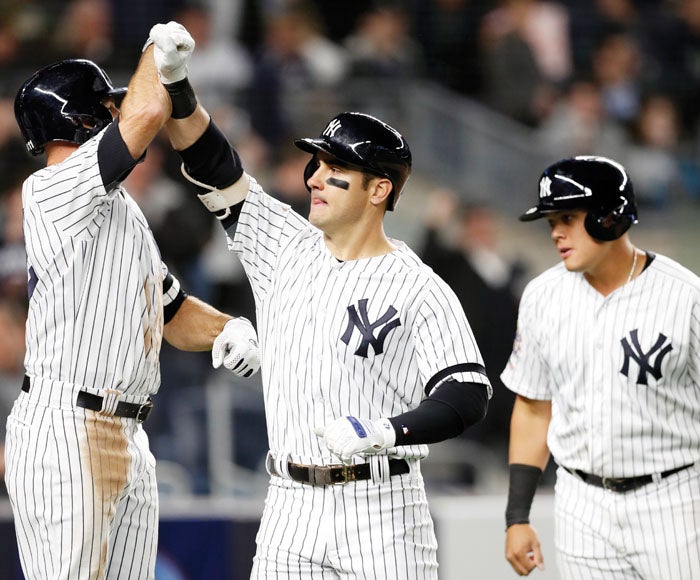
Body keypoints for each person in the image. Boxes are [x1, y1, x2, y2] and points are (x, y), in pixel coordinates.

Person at [152, 21, 492, 578]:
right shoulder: (285, 247)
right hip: (288, 506)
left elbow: (466, 392)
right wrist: (177, 86)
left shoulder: (417, 284)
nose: (316, 177)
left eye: (337, 170)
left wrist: (388, 431)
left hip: (381, 512)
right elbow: (216, 167)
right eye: (318, 164)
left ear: (379, 189)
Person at [5, 41, 261, 579]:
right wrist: (154, 49)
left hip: (127, 430)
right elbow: (146, 112)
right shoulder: (50, 190)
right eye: (108, 106)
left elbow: (170, 310)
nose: (119, 112)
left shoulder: (126, 212)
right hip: (67, 426)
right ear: (80, 119)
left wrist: (227, 328)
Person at [501, 155, 700, 578]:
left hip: (675, 500)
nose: (555, 232)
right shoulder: (542, 296)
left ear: (610, 217)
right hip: (581, 504)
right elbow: (534, 407)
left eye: (568, 217)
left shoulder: (686, 297)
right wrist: (517, 516)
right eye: (551, 221)